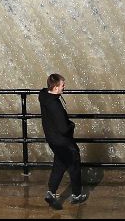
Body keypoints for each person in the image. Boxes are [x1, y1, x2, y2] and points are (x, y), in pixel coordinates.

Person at [39, 73, 88, 209]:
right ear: (55, 88)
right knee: (74, 164)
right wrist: (71, 125)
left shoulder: (44, 96)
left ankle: (51, 193)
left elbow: (42, 90)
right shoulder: (54, 105)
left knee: (60, 164)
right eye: (62, 85)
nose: (64, 87)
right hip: (62, 141)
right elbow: (63, 128)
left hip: (52, 139)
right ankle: (77, 195)